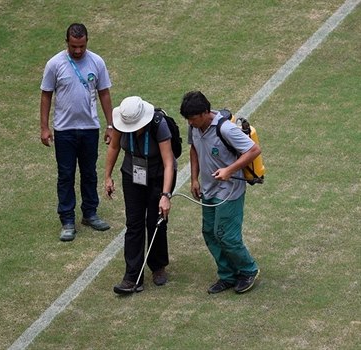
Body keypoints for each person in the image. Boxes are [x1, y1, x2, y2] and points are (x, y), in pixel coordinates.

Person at [179, 91, 260, 294]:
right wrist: (194, 178)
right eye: (188, 119)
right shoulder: (194, 126)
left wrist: (229, 170)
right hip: (208, 188)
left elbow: (253, 150)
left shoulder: (226, 129)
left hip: (229, 190)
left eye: (194, 118)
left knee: (226, 236)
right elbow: (194, 150)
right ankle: (227, 275)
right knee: (210, 233)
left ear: (206, 112)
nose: (190, 123)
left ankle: (249, 270)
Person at [40, 23, 113, 242]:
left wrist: (110, 124)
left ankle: (90, 213)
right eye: (74, 46)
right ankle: (67, 219)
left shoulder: (97, 62)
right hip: (64, 130)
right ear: (67, 42)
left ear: (87, 41)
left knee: (89, 173)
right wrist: (44, 128)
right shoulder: (55, 64)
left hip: (90, 128)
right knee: (66, 175)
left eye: (81, 46)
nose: (78, 50)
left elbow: (104, 94)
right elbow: (46, 96)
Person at [105, 96, 177, 294]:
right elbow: (114, 146)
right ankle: (132, 276)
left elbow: (169, 162)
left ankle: (158, 266)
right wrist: (108, 176)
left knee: (156, 221)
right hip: (132, 174)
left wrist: (165, 194)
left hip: (158, 175)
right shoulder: (121, 122)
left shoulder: (159, 125)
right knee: (134, 223)